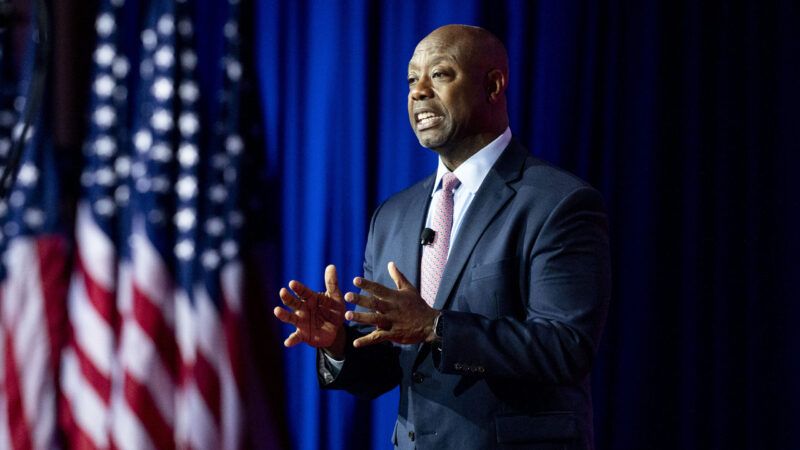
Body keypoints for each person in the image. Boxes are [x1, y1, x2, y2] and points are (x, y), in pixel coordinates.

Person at [273, 24, 610, 450]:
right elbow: (395, 365)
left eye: (441, 74)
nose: (418, 92)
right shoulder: (393, 215)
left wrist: (435, 325)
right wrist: (339, 342)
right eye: (412, 79)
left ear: (493, 85)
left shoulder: (557, 203)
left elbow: (566, 347)